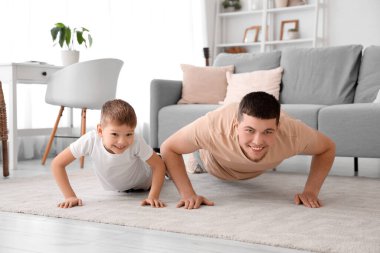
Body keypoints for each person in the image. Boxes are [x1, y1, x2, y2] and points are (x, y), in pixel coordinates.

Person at [161, 91, 336, 210]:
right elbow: (169, 147)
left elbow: (327, 148)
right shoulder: (213, 127)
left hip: (254, 169)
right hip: (208, 161)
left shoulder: (293, 133)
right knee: (188, 162)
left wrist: (311, 191)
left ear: (278, 127)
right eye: (249, 130)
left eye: (268, 132)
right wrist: (188, 194)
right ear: (237, 126)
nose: (258, 141)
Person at [51, 99, 167, 208]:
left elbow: (158, 165)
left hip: (146, 181)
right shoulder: (91, 140)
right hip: (121, 188)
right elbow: (57, 164)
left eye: (129, 134)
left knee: (165, 163)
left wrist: (153, 196)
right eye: (115, 134)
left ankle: (164, 156)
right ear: (100, 131)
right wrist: (70, 196)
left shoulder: (136, 141)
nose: (122, 142)